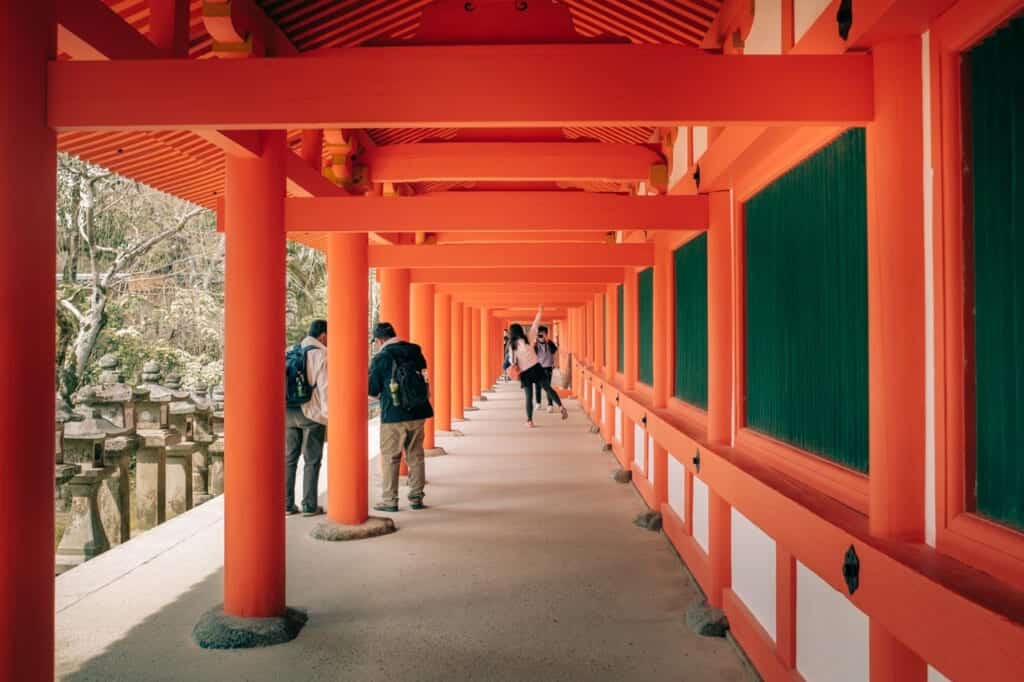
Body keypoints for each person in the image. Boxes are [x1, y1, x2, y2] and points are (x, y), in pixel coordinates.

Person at [368, 322, 433, 512]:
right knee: (415, 455)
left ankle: (390, 500)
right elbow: (425, 377)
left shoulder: (381, 358)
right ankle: (416, 497)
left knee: (390, 457)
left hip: (394, 414)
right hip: (419, 411)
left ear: (379, 340)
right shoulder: (415, 352)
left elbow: (372, 391)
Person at [284, 319, 328, 517]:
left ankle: (286, 505)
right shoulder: (321, 355)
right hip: (310, 414)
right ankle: (309, 505)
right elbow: (326, 389)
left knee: (289, 459)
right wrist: (328, 416)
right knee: (312, 459)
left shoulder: (291, 351)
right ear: (323, 335)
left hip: (288, 412)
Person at [508, 306, 568, 427]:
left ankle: (529, 421)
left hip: (525, 373)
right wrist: (540, 312)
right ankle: (561, 406)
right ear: (520, 331)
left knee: (529, 397)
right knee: (548, 389)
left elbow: (512, 361)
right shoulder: (528, 338)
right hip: (537, 368)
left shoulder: (512, 347)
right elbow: (535, 325)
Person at [533, 325, 559, 412]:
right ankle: (538, 403)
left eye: (543, 335)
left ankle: (550, 404)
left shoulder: (550, 343)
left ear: (546, 334)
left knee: (548, 386)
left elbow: (555, 352)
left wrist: (547, 340)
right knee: (537, 386)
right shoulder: (535, 344)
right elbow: (532, 353)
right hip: (537, 367)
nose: (541, 337)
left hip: (548, 367)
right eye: (539, 335)